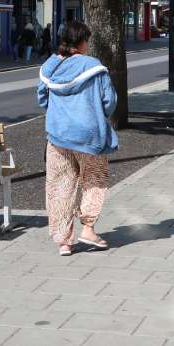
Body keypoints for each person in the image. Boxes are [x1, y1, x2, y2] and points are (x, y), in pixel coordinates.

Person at [38, 21, 118, 257]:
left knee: (61, 185)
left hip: (58, 135)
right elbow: (109, 101)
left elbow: (43, 99)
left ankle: (64, 241)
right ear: (82, 41)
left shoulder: (50, 67)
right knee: (94, 180)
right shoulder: (94, 67)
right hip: (89, 136)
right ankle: (88, 228)